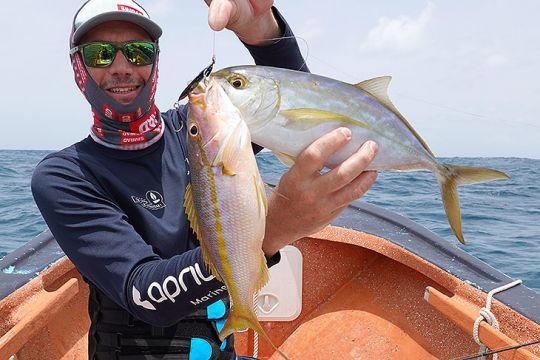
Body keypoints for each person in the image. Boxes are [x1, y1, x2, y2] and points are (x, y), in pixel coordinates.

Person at [31, 0, 378, 359]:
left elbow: (284, 98)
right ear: (78, 64)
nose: (122, 67)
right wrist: (268, 233)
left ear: (155, 59)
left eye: (138, 51)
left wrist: (262, 31)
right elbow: (143, 293)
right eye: (100, 54)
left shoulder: (199, 128)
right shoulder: (66, 175)